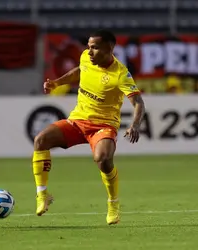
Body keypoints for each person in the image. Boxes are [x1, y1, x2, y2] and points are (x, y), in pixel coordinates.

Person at [32, 30, 145, 225]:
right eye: (88, 47)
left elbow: (138, 103)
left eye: (94, 47)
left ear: (109, 49)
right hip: (77, 120)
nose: (89, 51)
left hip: (103, 125)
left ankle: (113, 203)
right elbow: (79, 71)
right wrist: (57, 83)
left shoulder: (120, 74)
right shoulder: (86, 57)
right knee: (41, 140)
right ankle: (42, 195)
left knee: (103, 159)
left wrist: (135, 125)